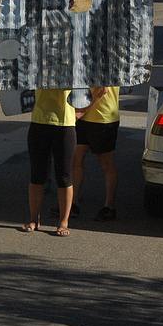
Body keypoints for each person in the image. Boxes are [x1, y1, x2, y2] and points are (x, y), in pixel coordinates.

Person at [22, 89, 81, 237]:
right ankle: (34, 219)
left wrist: (81, 112)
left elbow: (93, 88)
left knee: (64, 176)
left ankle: (63, 222)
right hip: (39, 121)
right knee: (37, 174)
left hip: (65, 123)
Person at [72, 86, 119, 221]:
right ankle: (72, 202)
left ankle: (109, 207)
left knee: (106, 163)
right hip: (82, 117)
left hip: (103, 118)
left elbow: (102, 90)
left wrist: (81, 111)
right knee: (76, 160)